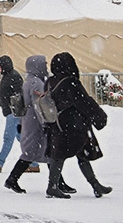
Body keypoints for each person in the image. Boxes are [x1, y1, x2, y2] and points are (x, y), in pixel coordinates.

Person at [45, 51, 112, 199]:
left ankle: (95, 185)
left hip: (57, 124)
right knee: (72, 155)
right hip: (74, 126)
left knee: (65, 155)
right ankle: (52, 187)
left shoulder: (50, 82)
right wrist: (100, 117)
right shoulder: (71, 82)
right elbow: (85, 102)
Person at [3, 55, 59, 194]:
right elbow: (39, 104)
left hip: (29, 120)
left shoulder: (29, 80)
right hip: (36, 122)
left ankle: (58, 182)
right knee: (41, 152)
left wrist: (22, 122)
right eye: (43, 64)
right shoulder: (37, 82)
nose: (45, 66)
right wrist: (45, 123)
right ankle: (13, 179)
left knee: (40, 152)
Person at [0, 55, 24, 173]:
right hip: (12, 113)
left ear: (4, 66)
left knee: (8, 138)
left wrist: (18, 109)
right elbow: (1, 97)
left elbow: (20, 94)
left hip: (14, 113)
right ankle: (33, 163)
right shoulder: (7, 78)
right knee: (20, 138)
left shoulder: (14, 77)